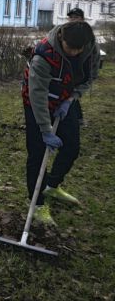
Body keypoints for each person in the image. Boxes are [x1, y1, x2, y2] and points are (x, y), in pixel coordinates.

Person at [21, 21, 97, 226]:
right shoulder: (43, 55)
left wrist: (71, 98)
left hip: (65, 99)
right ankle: (37, 205)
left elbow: (90, 77)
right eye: (70, 48)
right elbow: (37, 96)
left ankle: (52, 185)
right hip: (38, 101)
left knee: (71, 147)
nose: (74, 53)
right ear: (61, 39)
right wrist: (45, 130)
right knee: (38, 154)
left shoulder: (89, 47)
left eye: (78, 49)